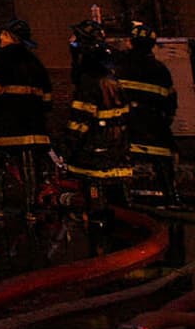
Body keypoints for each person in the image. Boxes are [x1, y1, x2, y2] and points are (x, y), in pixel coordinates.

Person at [0, 18, 53, 217]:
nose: (0, 37)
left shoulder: (1, 58)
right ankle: (32, 209)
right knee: (30, 167)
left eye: (4, 34)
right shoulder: (35, 62)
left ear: (11, 37)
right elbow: (47, 99)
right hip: (33, 128)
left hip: (4, 126)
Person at [62, 19, 131, 215]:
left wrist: (66, 145)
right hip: (116, 149)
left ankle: (99, 223)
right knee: (119, 206)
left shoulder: (89, 82)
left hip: (94, 152)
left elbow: (79, 122)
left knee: (97, 208)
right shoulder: (112, 79)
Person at [117, 22, 180, 205]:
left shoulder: (119, 66)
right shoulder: (160, 70)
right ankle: (170, 197)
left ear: (131, 42)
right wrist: (164, 121)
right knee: (162, 160)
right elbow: (170, 101)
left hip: (126, 124)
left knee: (121, 159)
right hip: (155, 125)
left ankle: (124, 198)